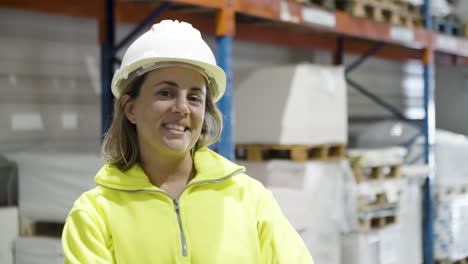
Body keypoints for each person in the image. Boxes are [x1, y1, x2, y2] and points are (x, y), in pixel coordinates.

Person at [62, 20, 314, 264]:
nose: (182, 108)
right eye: (166, 93)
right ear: (130, 109)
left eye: (194, 97)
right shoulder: (95, 214)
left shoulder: (249, 199)